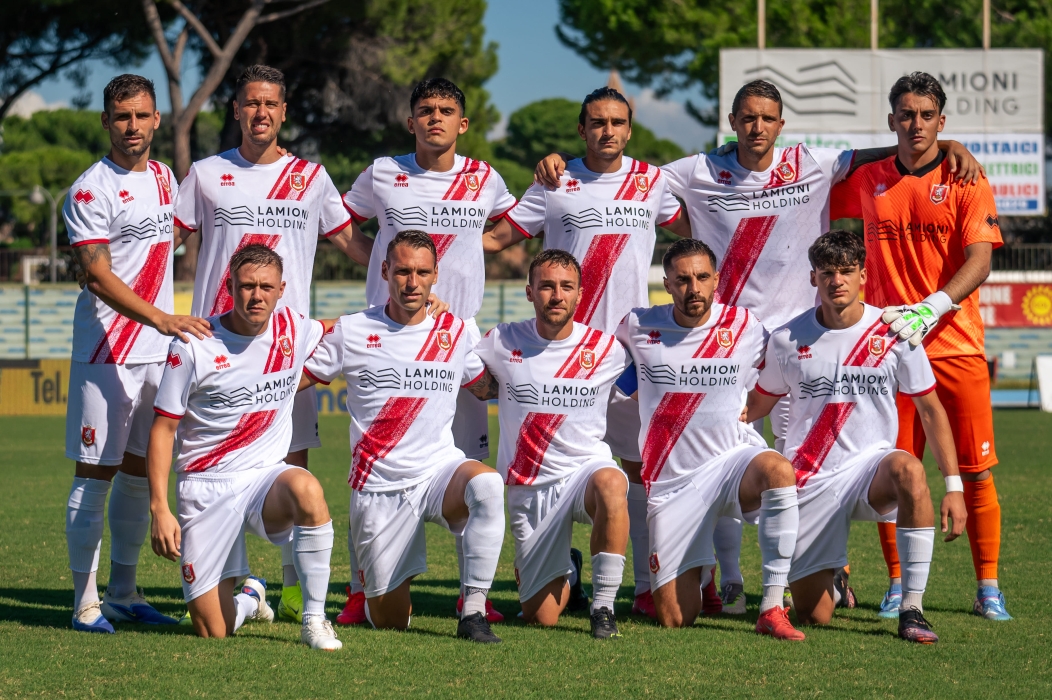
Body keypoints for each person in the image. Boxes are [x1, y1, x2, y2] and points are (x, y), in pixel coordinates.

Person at [535, 79, 984, 615]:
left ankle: (823, 568)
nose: (757, 127)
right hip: (730, 342)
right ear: (732, 121)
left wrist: (944, 146)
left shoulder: (809, 162)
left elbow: (883, 150)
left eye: (767, 118)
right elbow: (619, 173)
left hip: (801, 339)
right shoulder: (698, 170)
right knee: (720, 452)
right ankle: (727, 576)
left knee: (807, 462)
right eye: (747, 118)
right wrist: (564, 164)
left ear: (781, 124)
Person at [481, 87, 685, 617]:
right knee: (554, 469)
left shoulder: (653, 182)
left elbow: (700, 226)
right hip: (558, 357)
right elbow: (495, 239)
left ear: (630, 129)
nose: (607, 130)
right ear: (581, 129)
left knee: (636, 471)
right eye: (597, 122)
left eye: (617, 122)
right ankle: (560, 565)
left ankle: (643, 587)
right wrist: (429, 257)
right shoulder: (555, 182)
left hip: (626, 355)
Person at [171, 64, 352, 623]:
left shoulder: (311, 177)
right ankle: (239, 582)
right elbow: (162, 242)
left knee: (292, 463)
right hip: (218, 347)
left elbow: (352, 243)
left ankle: (294, 592)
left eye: (270, 103)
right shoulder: (206, 174)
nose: (261, 113)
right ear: (236, 110)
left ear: (283, 111)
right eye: (251, 103)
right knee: (215, 461)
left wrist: (412, 286)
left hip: (285, 348)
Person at [830, 72, 1010, 621]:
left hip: (956, 344)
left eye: (927, 116)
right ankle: (895, 584)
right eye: (906, 115)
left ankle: (988, 586)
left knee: (976, 471)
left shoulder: (965, 178)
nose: (916, 124)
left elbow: (981, 260)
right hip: (888, 350)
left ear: (941, 120)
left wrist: (935, 305)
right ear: (891, 120)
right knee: (892, 469)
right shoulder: (868, 179)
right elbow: (793, 187)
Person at [336, 78, 516, 624]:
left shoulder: (484, 177)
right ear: (410, 120)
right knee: (373, 464)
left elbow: (510, 227)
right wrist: (384, 270)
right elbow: (340, 226)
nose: (435, 117)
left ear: (463, 123)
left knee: (471, 465)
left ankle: (472, 595)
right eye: (425, 110)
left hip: (457, 340)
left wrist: (478, 249)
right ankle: (360, 588)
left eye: (446, 110)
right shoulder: (382, 172)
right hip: (389, 338)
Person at [747, 230, 967, 644]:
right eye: (827, 272)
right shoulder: (787, 339)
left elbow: (931, 409)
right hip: (811, 477)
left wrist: (953, 487)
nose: (837, 281)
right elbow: (758, 402)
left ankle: (912, 608)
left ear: (863, 275)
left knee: (909, 469)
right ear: (813, 277)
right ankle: (835, 578)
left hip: (871, 468)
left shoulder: (895, 332)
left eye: (847, 271)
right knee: (815, 615)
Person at [300, 230, 506, 643]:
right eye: (403, 272)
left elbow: (488, 388)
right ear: (384, 271)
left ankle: (473, 611)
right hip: (380, 487)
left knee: (487, 486)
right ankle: (368, 591)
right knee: (392, 621)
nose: (412, 282)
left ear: (435, 276)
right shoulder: (352, 330)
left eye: (422, 273)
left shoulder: (452, 330)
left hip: (438, 471)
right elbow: (296, 380)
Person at [62, 74, 212, 633]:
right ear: (107, 121)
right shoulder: (89, 189)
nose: (132, 126)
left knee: (135, 473)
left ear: (156, 121)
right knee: (94, 475)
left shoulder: (165, 177)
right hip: (106, 353)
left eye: (142, 115)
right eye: (122, 116)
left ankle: (123, 592)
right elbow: (98, 275)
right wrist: (163, 318)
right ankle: (84, 603)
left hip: (155, 352)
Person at [147, 244, 341, 650]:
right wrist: (160, 509)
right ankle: (252, 599)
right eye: (247, 286)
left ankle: (315, 619)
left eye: (266, 287)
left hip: (263, 480)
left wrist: (423, 311)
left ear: (281, 289)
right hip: (204, 486)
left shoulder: (293, 328)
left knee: (307, 489)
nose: (257, 295)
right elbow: (163, 429)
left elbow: (353, 328)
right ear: (230, 287)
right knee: (211, 630)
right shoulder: (193, 345)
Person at [616, 238, 804, 640]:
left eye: (702, 277)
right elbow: (605, 364)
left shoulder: (744, 325)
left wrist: (757, 406)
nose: (694, 288)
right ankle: (702, 572)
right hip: (673, 484)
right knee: (675, 618)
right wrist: (644, 394)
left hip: (731, 463)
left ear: (716, 279)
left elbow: (789, 360)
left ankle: (772, 605)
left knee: (777, 470)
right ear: (667, 283)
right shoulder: (638, 325)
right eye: (683, 280)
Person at [465, 249, 632, 639]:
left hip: (585, 472)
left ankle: (603, 607)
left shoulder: (607, 350)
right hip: (531, 485)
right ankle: (569, 570)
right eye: (547, 286)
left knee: (613, 484)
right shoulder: (502, 340)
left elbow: (651, 384)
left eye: (566, 287)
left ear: (580, 294)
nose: (557, 295)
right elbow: (464, 367)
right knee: (541, 616)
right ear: (530, 292)